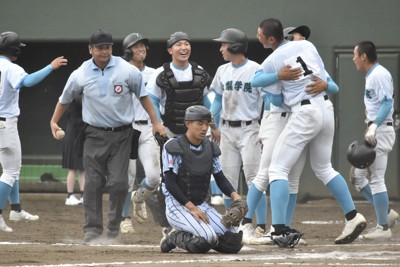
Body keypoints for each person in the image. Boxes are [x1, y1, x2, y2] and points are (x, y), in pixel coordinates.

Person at [256, 18, 367, 246]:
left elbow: (255, 80)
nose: (257, 37)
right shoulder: (309, 46)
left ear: (270, 39)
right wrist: (324, 85)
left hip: (304, 112)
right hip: (325, 107)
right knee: (324, 168)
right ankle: (353, 216)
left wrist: (277, 76)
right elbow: (328, 81)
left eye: (259, 34)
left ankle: (278, 230)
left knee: (277, 169)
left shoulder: (274, 58)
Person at [49, 29, 165, 244]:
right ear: (90, 49)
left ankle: (113, 226)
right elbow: (65, 98)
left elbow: (144, 97)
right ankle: (92, 229)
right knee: (93, 183)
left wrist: (156, 122)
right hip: (93, 134)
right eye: (100, 48)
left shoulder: (127, 70)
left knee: (120, 183)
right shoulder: (81, 73)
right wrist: (53, 121)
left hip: (122, 135)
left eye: (108, 47)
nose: (104, 51)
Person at [243, 25, 339, 245]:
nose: (301, 38)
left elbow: (333, 86)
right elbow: (270, 95)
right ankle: (246, 223)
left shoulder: (305, 53)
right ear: (284, 38)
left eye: (302, 36)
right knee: (265, 173)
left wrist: (323, 84)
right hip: (276, 120)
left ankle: (282, 227)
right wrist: (279, 77)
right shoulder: (277, 61)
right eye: (296, 35)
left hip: (296, 121)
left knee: (291, 179)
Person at [0, 31, 67, 232]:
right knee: (10, 172)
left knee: (12, 168)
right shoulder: (10, 67)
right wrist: (51, 67)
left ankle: (17, 209)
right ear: (15, 50)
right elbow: (27, 82)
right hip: (5, 124)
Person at [209, 28, 267, 242]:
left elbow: (267, 100)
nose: (221, 48)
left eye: (224, 44)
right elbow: (217, 98)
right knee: (228, 181)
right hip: (226, 130)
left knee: (255, 179)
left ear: (234, 46)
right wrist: (212, 121)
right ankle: (232, 227)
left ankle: (258, 226)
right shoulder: (222, 70)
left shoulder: (256, 69)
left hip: (250, 128)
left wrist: (265, 128)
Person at [160, 105, 244, 254]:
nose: (204, 128)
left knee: (233, 242)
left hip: (200, 204)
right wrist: (191, 208)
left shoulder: (210, 147)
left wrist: (236, 197)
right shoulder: (173, 146)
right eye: (200, 123)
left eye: (207, 123)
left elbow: (220, 179)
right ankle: (174, 237)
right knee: (207, 238)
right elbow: (170, 183)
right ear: (187, 123)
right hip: (178, 205)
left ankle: (192, 232)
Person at [350, 41, 399, 241]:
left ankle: (382, 227)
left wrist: (374, 126)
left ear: (363, 56)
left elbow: (388, 102)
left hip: (380, 130)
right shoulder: (371, 75)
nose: (353, 58)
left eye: (355, 54)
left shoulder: (379, 74)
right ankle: (386, 213)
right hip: (374, 130)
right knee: (357, 177)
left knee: (377, 179)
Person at [119, 33, 160, 234]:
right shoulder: (120, 72)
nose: (141, 48)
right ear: (128, 51)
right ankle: (125, 218)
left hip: (147, 128)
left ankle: (139, 197)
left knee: (154, 177)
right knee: (127, 177)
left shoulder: (154, 73)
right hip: (127, 128)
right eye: (136, 46)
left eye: (143, 45)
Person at [146, 31, 211, 137]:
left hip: (196, 131)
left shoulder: (199, 71)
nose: (183, 48)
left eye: (186, 44)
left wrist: (213, 125)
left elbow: (205, 100)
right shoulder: (160, 73)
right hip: (170, 130)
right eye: (178, 44)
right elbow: (152, 101)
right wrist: (157, 124)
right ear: (170, 50)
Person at [62, 98, 85, 206]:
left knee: (82, 169)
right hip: (73, 139)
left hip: (80, 139)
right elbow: (76, 121)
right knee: (73, 168)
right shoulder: (75, 102)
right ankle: (69, 196)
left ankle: (83, 195)